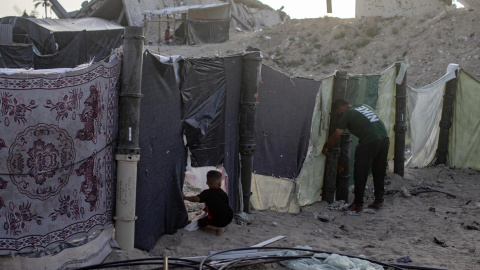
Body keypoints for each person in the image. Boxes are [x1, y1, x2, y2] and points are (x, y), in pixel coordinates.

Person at [322, 99, 390, 212]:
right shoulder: (364, 105)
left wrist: (326, 146)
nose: (339, 116)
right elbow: (370, 125)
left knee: (360, 173)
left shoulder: (347, 114)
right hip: (384, 139)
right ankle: (379, 200)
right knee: (379, 171)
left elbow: (337, 134)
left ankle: (358, 204)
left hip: (369, 142)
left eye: (338, 113)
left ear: (339, 109)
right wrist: (361, 143)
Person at [183, 170, 233, 236]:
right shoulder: (223, 193)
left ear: (207, 182)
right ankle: (221, 225)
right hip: (229, 218)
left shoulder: (207, 193)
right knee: (219, 215)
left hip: (217, 220)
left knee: (200, 223)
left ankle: (217, 229)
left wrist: (185, 197)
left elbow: (195, 198)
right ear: (220, 183)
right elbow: (220, 204)